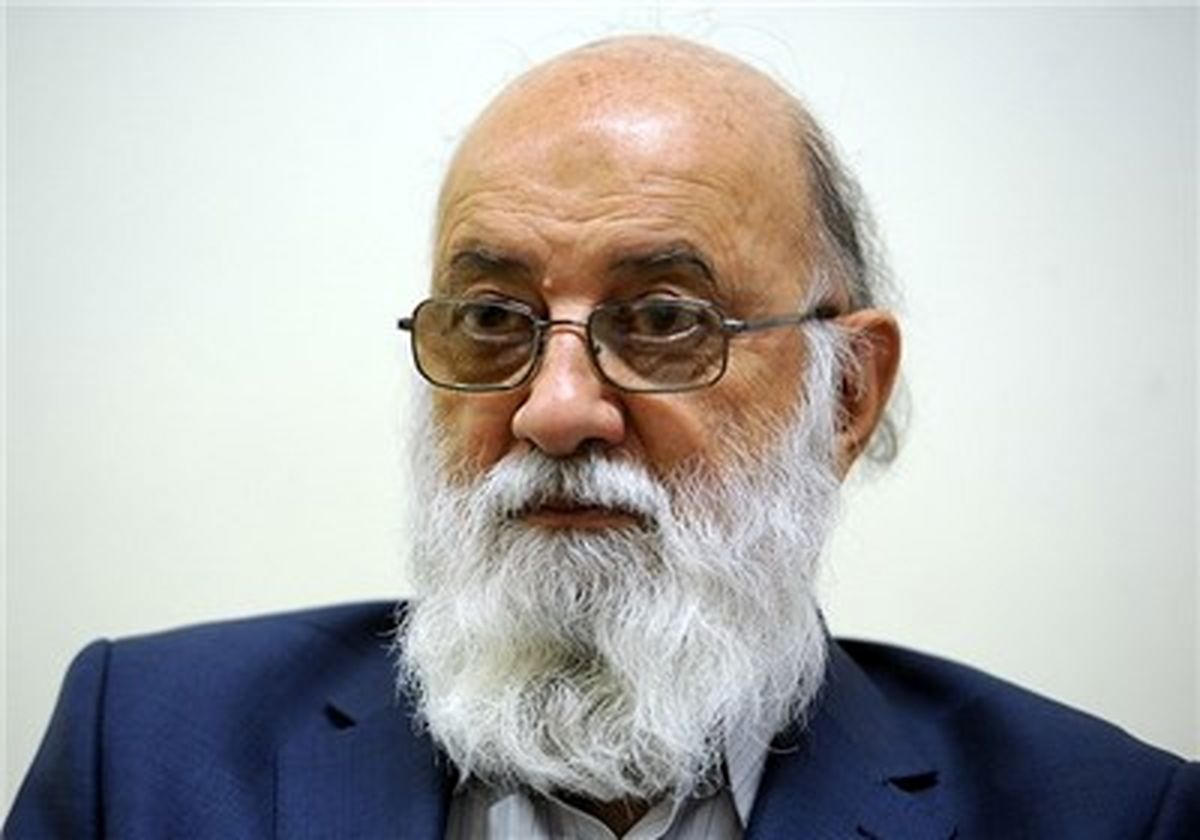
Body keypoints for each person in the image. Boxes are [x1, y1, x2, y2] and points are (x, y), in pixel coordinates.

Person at [6, 34, 1197, 840]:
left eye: (666, 320)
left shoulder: (1108, 816)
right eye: (491, 319)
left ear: (846, 393)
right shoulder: (141, 751)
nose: (556, 408)